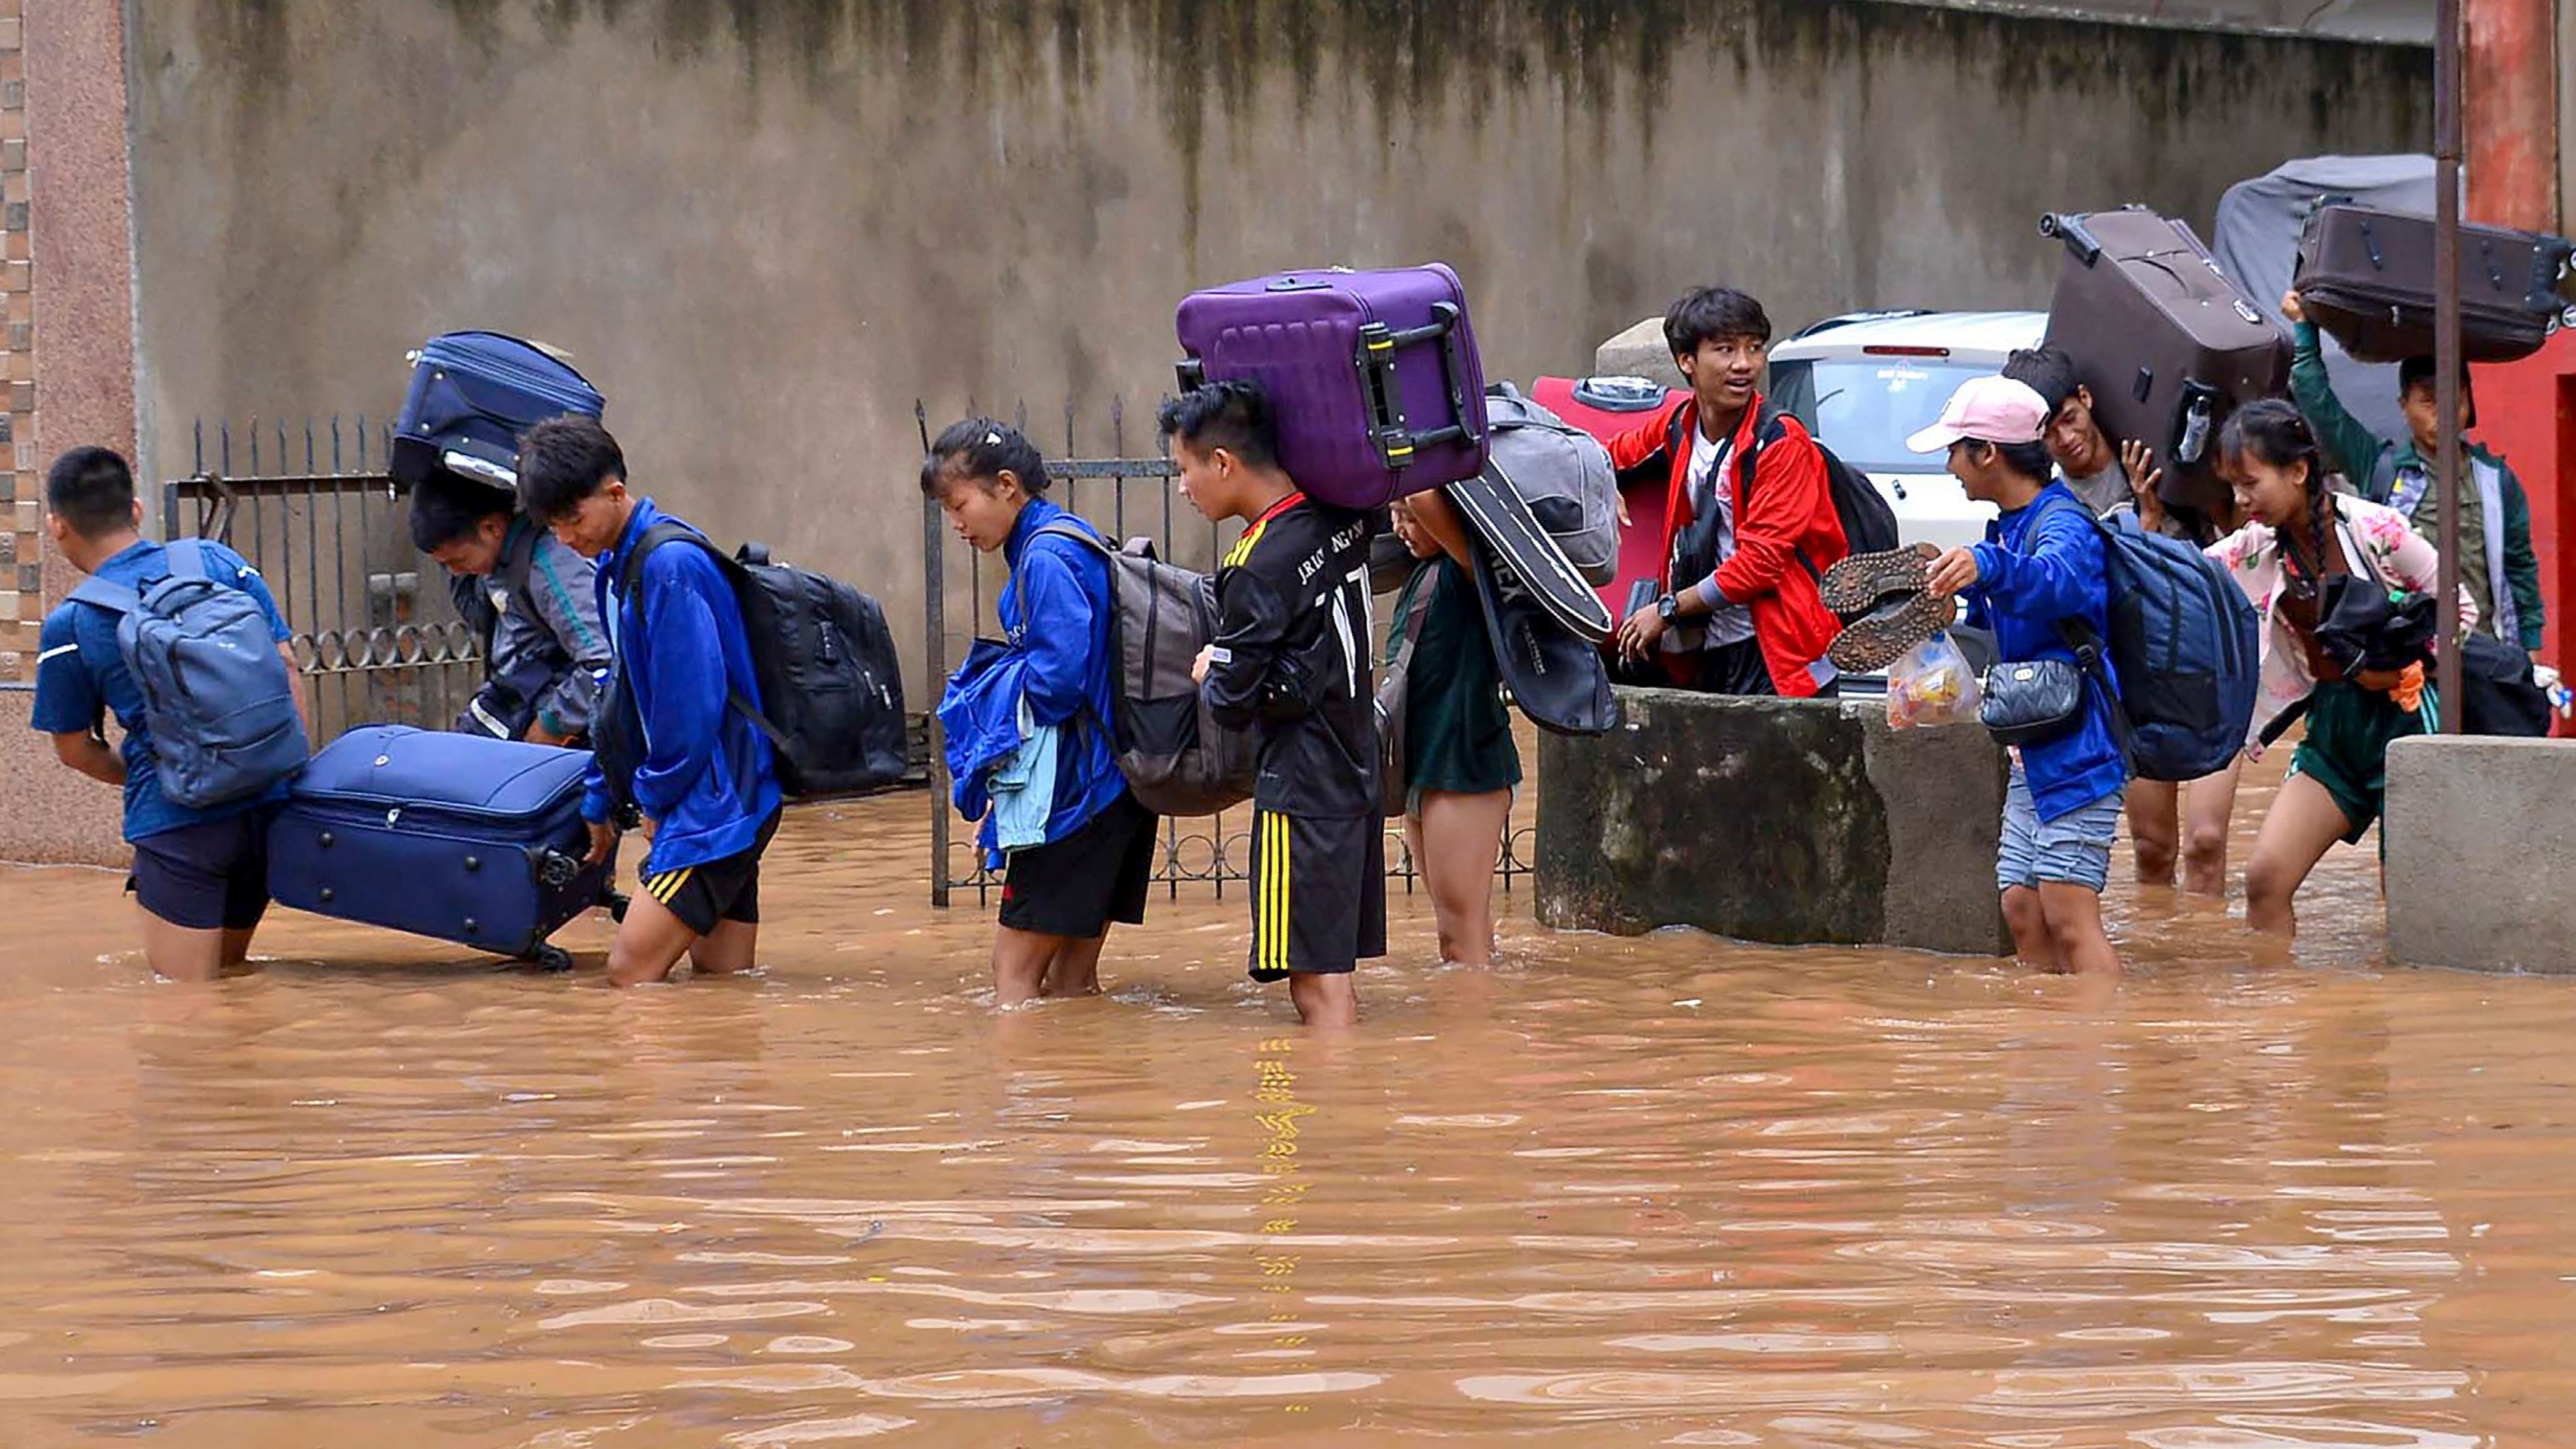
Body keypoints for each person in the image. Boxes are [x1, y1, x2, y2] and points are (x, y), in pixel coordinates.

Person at [515, 416, 781, 987]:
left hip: (712, 809)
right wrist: (599, 795)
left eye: (573, 518)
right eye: (551, 526)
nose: (565, 538)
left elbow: (690, 708)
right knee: (721, 983)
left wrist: (655, 800)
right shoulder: (618, 567)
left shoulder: (667, 566)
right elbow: (622, 697)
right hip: (729, 799)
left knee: (630, 974)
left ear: (615, 493)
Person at [30, 446, 310, 982]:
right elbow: (286, 664)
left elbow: (74, 750)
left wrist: (161, 771)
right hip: (268, 809)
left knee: (186, 1007)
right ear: (136, 509)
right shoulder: (217, 562)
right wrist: (280, 768)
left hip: (179, 824)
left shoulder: (71, 624)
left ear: (57, 526)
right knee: (235, 979)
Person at [1164, 379, 1383, 1027]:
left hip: (1302, 785)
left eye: (1184, 469)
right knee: (1334, 974)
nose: (1182, 487)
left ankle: (1308, 1126)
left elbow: (1230, 703)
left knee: (1313, 985)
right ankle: (1352, 1111)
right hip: (1354, 767)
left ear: (1224, 463)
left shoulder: (1255, 563)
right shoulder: (1339, 517)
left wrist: (1211, 667)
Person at [2203, 399, 2464, 937]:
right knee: (2265, 880)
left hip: (2408, 724)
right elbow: (2186, 576)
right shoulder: (2253, 550)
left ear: (2298, 471)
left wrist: (2403, 667)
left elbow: (2457, 608)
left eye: (2249, 482)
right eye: (2233, 486)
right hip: (2331, 730)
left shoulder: (2377, 529)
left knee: (2407, 899)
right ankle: (2283, 1011)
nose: (2240, 499)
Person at [923, 419, 1157, 1006]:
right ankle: (1083, 1091)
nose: (955, 524)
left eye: (959, 505)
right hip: (1117, 791)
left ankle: (1021, 1096)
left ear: (1006, 485)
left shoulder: (1044, 558)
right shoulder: (1069, 538)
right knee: (1073, 983)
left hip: (1075, 799)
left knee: (1013, 981)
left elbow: (1054, 686)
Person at [2003, 345, 2241, 892]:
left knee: (2205, 840)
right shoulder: (2052, 506)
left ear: (2086, 400)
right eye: (2048, 433)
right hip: (2134, 683)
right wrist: (2143, 527)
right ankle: (2164, 966)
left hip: (2208, 667)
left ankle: (2209, 966)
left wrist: (2158, 515)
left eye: (2069, 419)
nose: (2066, 440)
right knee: (2152, 847)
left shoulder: (2162, 452)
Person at [1914, 377, 2128, 977]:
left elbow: (2057, 580)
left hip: (2081, 745)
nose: (1949, 466)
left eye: (1954, 450)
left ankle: (2105, 1051)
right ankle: (2048, 1048)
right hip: (2031, 745)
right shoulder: (2004, 527)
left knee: (2067, 911)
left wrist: (1986, 566)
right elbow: (1988, 631)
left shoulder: (2063, 521)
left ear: (1987, 453)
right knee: (2022, 906)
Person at [1607, 286, 1846, 697]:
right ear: (1687, 361)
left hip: (1781, 655)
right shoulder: (1679, 424)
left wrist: (1668, 610)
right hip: (1711, 649)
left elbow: (1760, 564)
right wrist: (1600, 481)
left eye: (1755, 348)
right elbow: (1608, 454)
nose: (1745, 365)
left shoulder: (1781, 441)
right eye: (1725, 350)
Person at [2283, 290, 2543, 658]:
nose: (2444, 412)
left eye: (2455, 398)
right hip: (2406, 655)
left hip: (2486, 651)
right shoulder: (2380, 466)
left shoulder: (2496, 480)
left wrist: (2530, 651)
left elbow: (2520, 568)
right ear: (2404, 406)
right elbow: (2318, 404)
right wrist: (2304, 327)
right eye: (2428, 401)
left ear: (2470, 404)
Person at [1384, 492, 1519, 967]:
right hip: (1427, 765)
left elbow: (1426, 491)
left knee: (1460, 941)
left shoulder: (1467, 567)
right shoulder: (1423, 572)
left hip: (1464, 764)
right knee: (1460, 934)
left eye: (1409, 515)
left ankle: (1469, 1034)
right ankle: (1475, 1031)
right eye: (1394, 514)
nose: (1400, 525)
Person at [409, 467, 610, 746]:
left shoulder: (551, 566)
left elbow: (602, 661)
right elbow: (477, 615)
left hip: (561, 725)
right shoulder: (497, 566)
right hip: (516, 700)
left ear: (492, 528)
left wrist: (552, 725)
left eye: (458, 559)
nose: (455, 572)